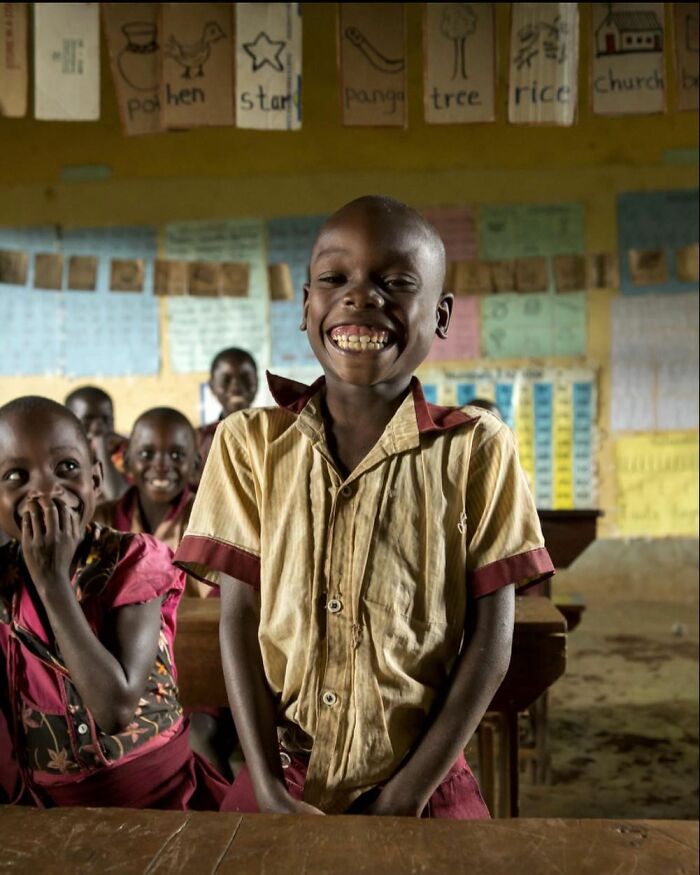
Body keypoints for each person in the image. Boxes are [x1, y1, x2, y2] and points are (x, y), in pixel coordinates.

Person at [175, 195, 554, 817]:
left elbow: (493, 638)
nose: (360, 297)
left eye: (397, 283)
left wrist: (407, 795)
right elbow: (238, 621)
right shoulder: (250, 444)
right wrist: (265, 787)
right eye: (335, 278)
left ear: (441, 316)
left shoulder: (476, 448)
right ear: (306, 306)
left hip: (424, 781)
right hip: (284, 779)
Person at [0, 396, 229, 808]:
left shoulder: (135, 559)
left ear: (96, 477)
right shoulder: (4, 581)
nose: (46, 491)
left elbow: (115, 708)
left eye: (66, 467)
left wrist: (52, 581)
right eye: (17, 475)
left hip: (160, 801)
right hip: (45, 815)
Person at [93, 407, 207, 599]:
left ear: (195, 464)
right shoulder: (101, 520)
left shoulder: (208, 525)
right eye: (146, 454)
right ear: (127, 461)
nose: (161, 466)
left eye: (176, 455)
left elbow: (217, 603)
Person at [196, 348, 258, 480]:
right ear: (212, 386)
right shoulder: (199, 441)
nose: (236, 385)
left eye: (245, 378)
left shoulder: (274, 434)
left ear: (257, 382)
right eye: (226, 379)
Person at [65, 386, 128, 502]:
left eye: (106, 420)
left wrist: (101, 445)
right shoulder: (60, 456)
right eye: (87, 421)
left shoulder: (124, 453)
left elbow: (118, 498)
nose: (98, 427)